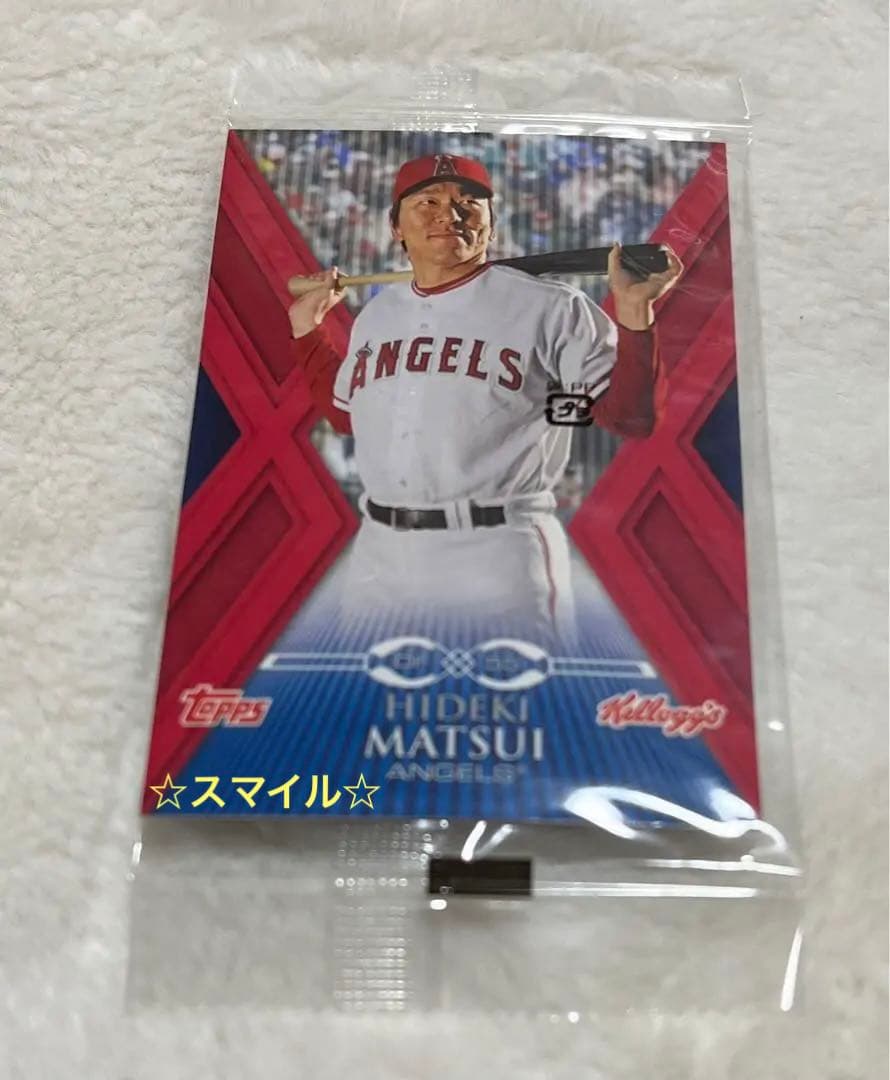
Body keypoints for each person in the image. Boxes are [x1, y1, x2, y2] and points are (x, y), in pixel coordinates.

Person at [287, 153, 682, 642]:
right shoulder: (377, 314)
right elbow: (349, 417)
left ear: (491, 225)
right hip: (378, 555)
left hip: (497, 553)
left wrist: (634, 311)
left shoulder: (552, 306)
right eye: (428, 202)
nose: (449, 215)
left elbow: (631, 419)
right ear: (396, 228)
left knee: (517, 688)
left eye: (469, 203)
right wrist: (307, 331)